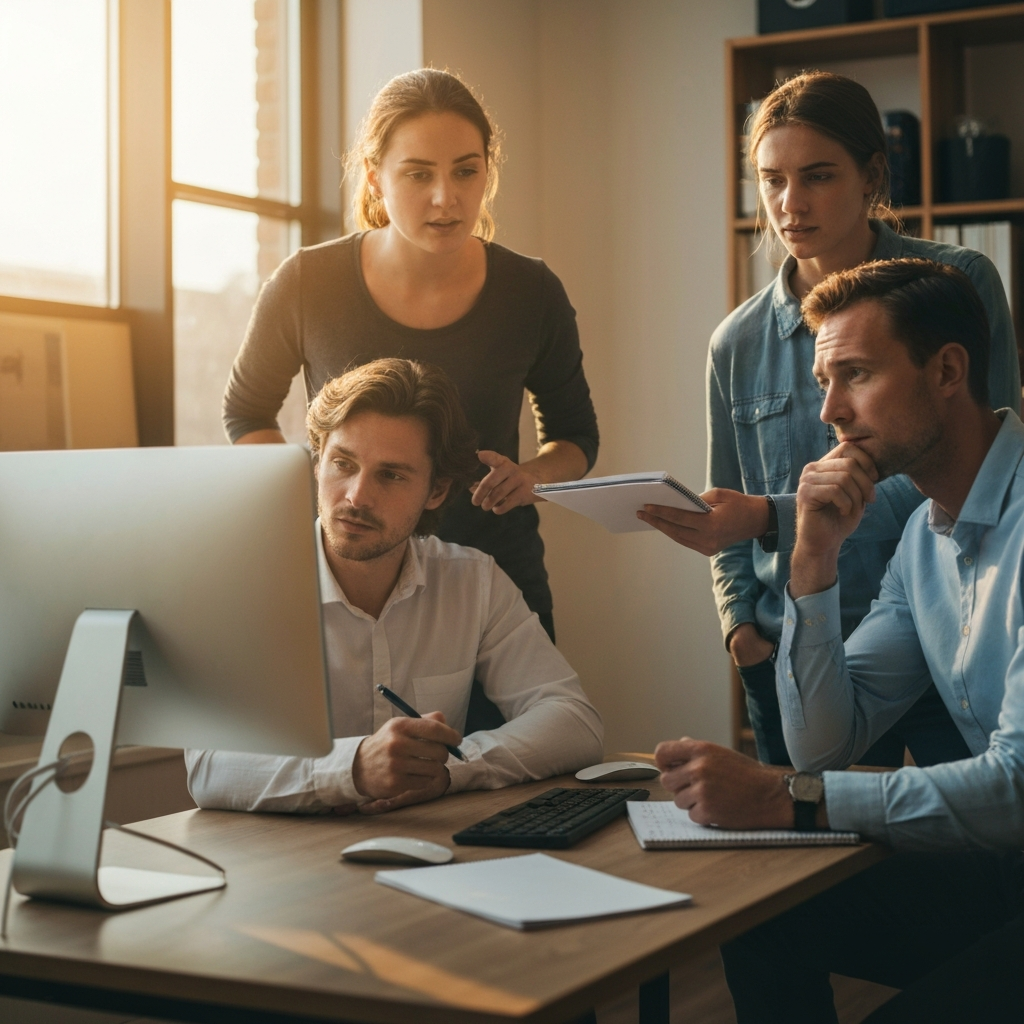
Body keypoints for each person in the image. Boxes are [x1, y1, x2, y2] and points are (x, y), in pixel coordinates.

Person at [655, 259, 1024, 1022]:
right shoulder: (924, 538)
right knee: (762, 911)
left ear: (948, 370)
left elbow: (1014, 791)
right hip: (1006, 876)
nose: (829, 411)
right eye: (824, 380)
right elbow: (823, 742)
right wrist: (812, 559)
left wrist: (785, 797)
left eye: (853, 374)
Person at [638, 71, 1019, 767]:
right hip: (799, 643)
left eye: (816, 177)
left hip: (942, 630)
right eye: (771, 180)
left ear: (872, 176)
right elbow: (724, 499)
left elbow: (975, 463)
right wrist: (741, 629)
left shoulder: (951, 288)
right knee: (807, 850)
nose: (790, 204)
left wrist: (769, 515)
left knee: (953, 845)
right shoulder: (736, 341)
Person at [222, 69, 599, 652]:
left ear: (487, 174)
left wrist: (531, 477)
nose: (446, 197)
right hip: (352, 581)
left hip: (497, 576)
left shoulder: (533, 291)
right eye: (418, 174)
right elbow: (246, 414)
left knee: (528, 740)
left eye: (466, 171)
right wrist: (325, 491)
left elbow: (575, 438)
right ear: (374, 178)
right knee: (359, 748)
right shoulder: (307, 282)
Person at [187, 359, 603, 814]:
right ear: (317, 462)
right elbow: (207, 767)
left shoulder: (473, 582)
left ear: (437, 491)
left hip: (428, 848)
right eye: (342, 463)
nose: (356, 496)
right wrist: (353, 769)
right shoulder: (249, 587)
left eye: (391, 475)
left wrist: (451, 771)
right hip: (284, 860)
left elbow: (573, 722)